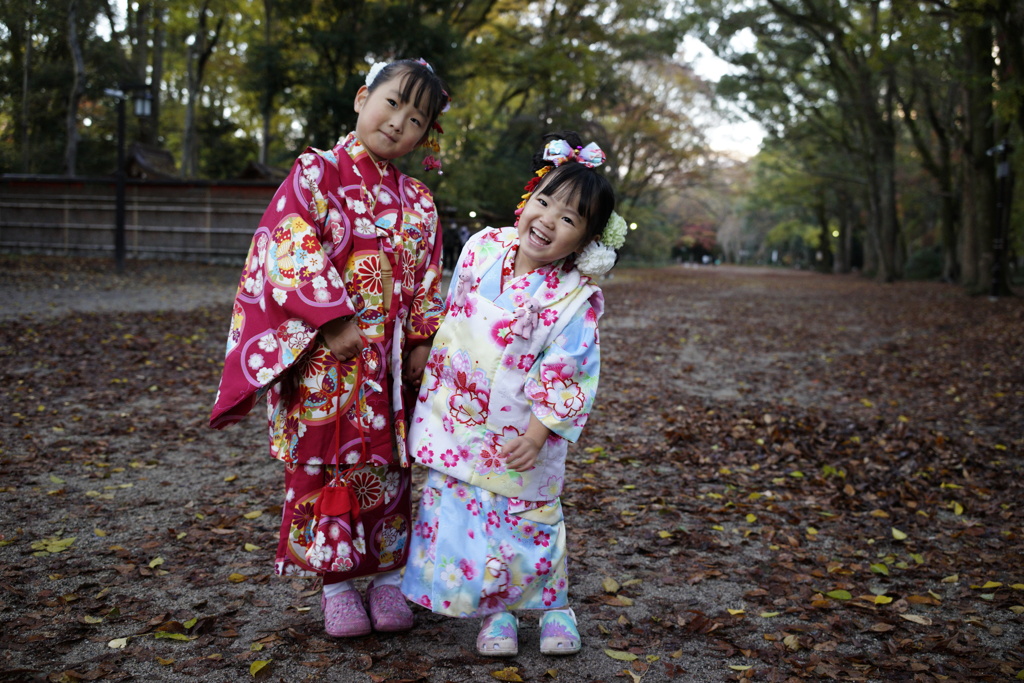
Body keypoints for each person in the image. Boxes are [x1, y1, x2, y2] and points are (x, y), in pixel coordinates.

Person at [209, 58, 451, 638]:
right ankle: (336, 586)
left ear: (425, 136)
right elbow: (287, 243)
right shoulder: (316, 172)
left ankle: (389, 579)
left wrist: (421, 337)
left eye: (416, 119)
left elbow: (427, 274)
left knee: (388, 467)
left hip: (389, 361)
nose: (399, 124)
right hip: (327, 356)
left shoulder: (418, 200)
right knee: (325, 462)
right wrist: (330, 318)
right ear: (362, 97)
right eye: (392, 103)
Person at [400, 131, 627, 656]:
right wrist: (425, 353)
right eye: (545, 201)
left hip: (522, 426)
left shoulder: (575, 297)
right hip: (460, 411)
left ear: (586, 241)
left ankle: (553, 606)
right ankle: (494, 611)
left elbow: (570, 370)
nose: (547, 220)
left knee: (529, 517)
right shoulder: (483, 247)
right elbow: (454, 317)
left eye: (569, 219)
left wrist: (540, 430)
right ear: (528, 198)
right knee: (470, 514)